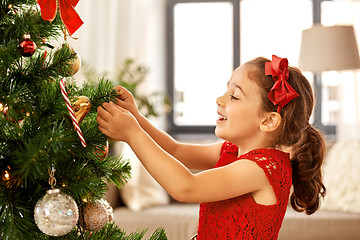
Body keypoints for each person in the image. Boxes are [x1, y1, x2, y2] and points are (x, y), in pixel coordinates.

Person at [96, 55, 326, 239]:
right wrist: (136, 118)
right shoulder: (231, 151)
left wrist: (132, 134)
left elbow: (186, 187)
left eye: (234, 96)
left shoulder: (263, 169)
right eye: (226, 91)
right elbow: (175, 150)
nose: (220, 99)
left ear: (268, 121)